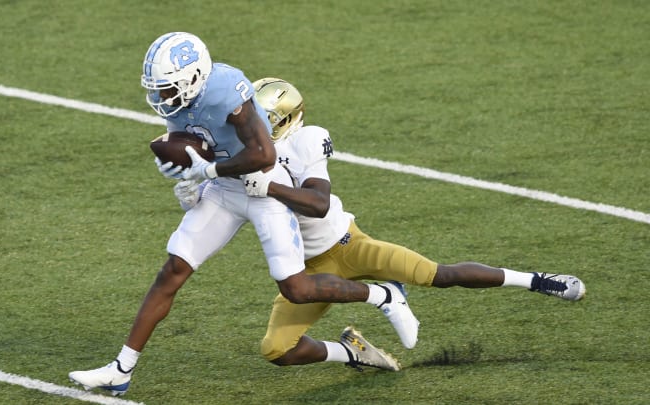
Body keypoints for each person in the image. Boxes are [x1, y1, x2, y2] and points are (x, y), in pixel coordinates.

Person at [69, 33, 416, 397]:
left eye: (169, 89)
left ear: (193, 79)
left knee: (295, 288)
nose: (162, 98)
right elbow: (190, 140)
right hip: (224, 189)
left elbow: (263, 154)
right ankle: (121, 369)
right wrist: (186, 177)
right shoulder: (182, 101)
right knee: (173, 269)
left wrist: (207, 171)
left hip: (263, 186)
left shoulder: (225, 90)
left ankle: (382, 296)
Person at [178, 77, 586, 369]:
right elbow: (222, 190)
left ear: (281, 120)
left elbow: (318, 203)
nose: (248, 127)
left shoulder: (304, 141)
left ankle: (536, 279)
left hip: (347, 246)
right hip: (305, 271)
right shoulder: (244, 151)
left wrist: (267, 188)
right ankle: (353, 352)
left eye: (258, 120)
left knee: (437, 274)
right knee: (277, 350)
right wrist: (197, 189)